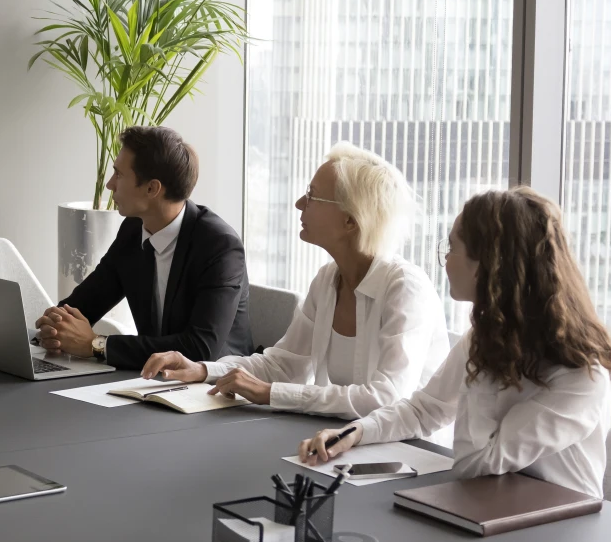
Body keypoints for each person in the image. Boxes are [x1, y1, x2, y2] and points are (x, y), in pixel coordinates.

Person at [300, 187, 611, 498]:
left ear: (489, 265)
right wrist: (353, 434)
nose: (445, 259)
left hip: (560, 529)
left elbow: (478, 462)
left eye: (452, 247)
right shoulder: (491, 334)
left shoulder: (582, 374)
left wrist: (479, 367)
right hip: (493, 506)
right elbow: (425, 408)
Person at [141, 143, 448, 414]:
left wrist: (270, 393)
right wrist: (201, 369)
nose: (300, 203)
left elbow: (386, 399)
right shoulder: (328, 279)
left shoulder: (405, 288)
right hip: (346, 442)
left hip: (411, 455)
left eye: (312, 195)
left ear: (350, 221)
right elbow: (283, 366)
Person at [36, 125, 251, 371]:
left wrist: (96, 345)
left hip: (216, 387)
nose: (109, 184)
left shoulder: (219, 246)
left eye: (119, 174)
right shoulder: (133, 230)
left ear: (152, 189)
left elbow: (201, 348)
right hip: (150, 380)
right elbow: (84, 304)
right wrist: (54, 326)